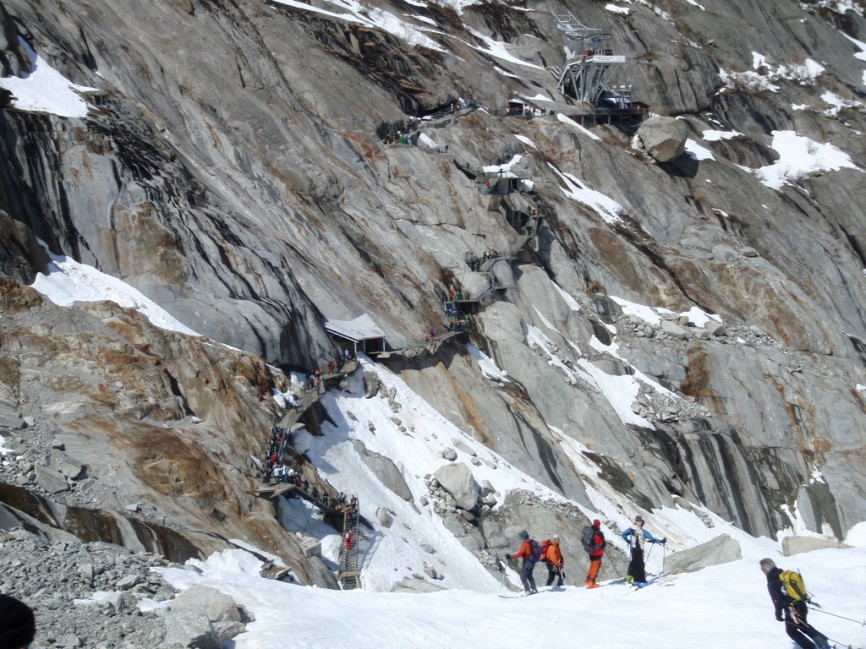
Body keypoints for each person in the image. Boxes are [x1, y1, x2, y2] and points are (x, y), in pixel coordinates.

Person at [759, 558, 831, 649]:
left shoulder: (772, 582)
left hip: (792, 610)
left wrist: (778, 614)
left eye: (762, 570)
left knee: (791, 631)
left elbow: (776, 600)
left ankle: (812, 647)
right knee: (803, 625)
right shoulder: (784, 575)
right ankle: (823, 642)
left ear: (765, 570)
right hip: (801, 605)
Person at [620, 515, 664, 584]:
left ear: (641, 522)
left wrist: (628, 541)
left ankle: (629, 578)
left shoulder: (631, 528)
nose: (639, 522)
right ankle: (638, 579)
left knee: (633, 563)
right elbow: (651, 538)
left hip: (633, 549)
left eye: (639, 521)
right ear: (636, 522)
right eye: (637, 521)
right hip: (639, 549)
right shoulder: (642, 531)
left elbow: (623, 534)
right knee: (639, 564)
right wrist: (661, 541)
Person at [509, 530, 539, 595]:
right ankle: (534, 589)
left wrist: (511, 557)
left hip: (527, 562)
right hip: (532, 561)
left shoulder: (525, 544)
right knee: (529, 576)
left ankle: (527, 591)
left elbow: (520, 554)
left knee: (523, 577)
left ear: (523, 537)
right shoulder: (531, 542)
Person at [584, 519, 606, 588]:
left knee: (591, 566)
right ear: (598, 525)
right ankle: (591, 583)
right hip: (597, 553)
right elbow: (603, 544)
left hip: (591, 552)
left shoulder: (590, 532)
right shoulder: (599, 533)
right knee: (595, 568)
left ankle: (587, 581)